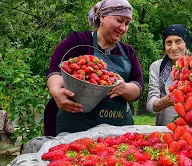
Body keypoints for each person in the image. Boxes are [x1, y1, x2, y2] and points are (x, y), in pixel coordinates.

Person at [44, 0, 144, 136]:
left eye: (127, 23)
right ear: (102, 17)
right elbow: (55, 70)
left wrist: (125, 88)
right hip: (75, 125)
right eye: (119, 20)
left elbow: (138, 86)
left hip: (116, 128)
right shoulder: (78, 41)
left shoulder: (128, 52)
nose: (123, 28)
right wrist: (56, 90)